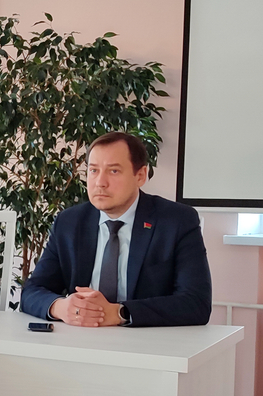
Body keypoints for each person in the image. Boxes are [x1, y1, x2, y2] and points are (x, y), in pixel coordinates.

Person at [20, 131, 212, 327]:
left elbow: (196, 303)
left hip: (147, 341)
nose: (100, 182)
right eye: (93, 170)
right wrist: (60, 307)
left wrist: (120, 312)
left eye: (113, 171)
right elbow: (32, 291)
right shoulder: (69, 222)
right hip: (81, 337)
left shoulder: (177, 221)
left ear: (140, 176)